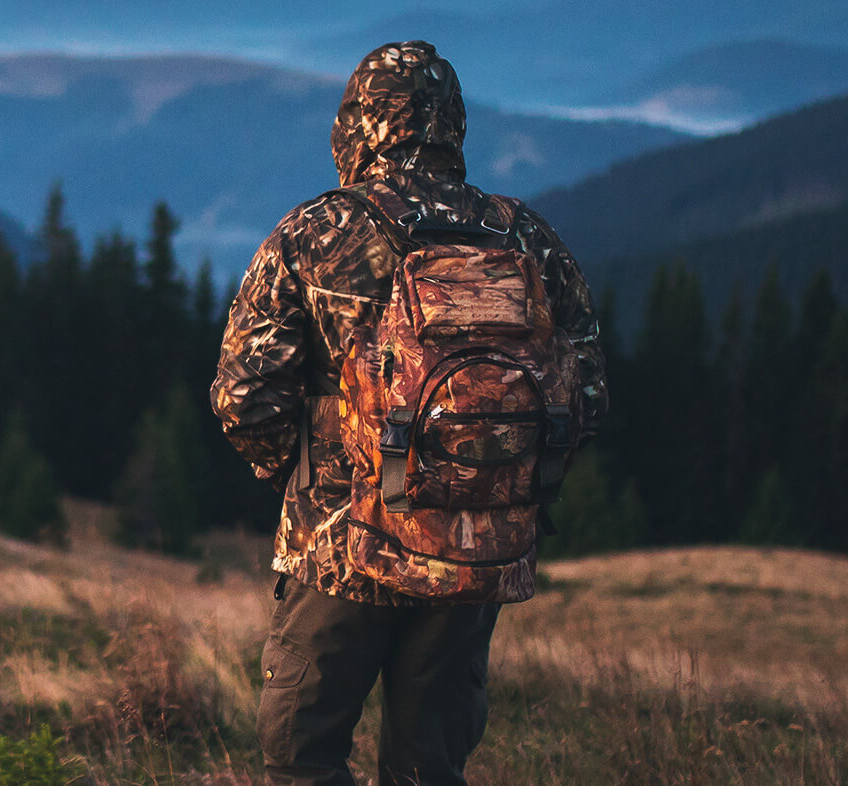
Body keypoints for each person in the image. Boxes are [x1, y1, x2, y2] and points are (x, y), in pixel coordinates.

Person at [208, 41, 608, 785]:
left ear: (355, 126)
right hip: (472, 554)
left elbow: (244, 396)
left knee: (302, 758)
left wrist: (310, 480)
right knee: (429, 768)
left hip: (341, 548)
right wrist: (485, 479)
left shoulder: (318, 232)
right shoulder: (526, 238)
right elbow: (584, 396)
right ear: (453, 124)